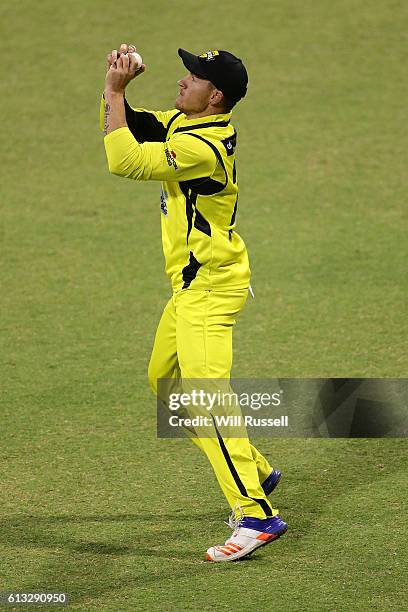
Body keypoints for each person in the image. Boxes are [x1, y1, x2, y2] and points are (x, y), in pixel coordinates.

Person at [101, 43, 287, 561]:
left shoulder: (202, 148)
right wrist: (117, 88)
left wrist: (116, 93)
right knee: (165, 383)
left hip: (210, 290)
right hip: (189, 289)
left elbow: (125, 161)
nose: (183, 80)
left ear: (216, 96)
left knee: (206, 397)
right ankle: (256, 468)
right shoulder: (188, 126)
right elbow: (133, 125)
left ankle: (256, 516)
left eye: (195, 77)